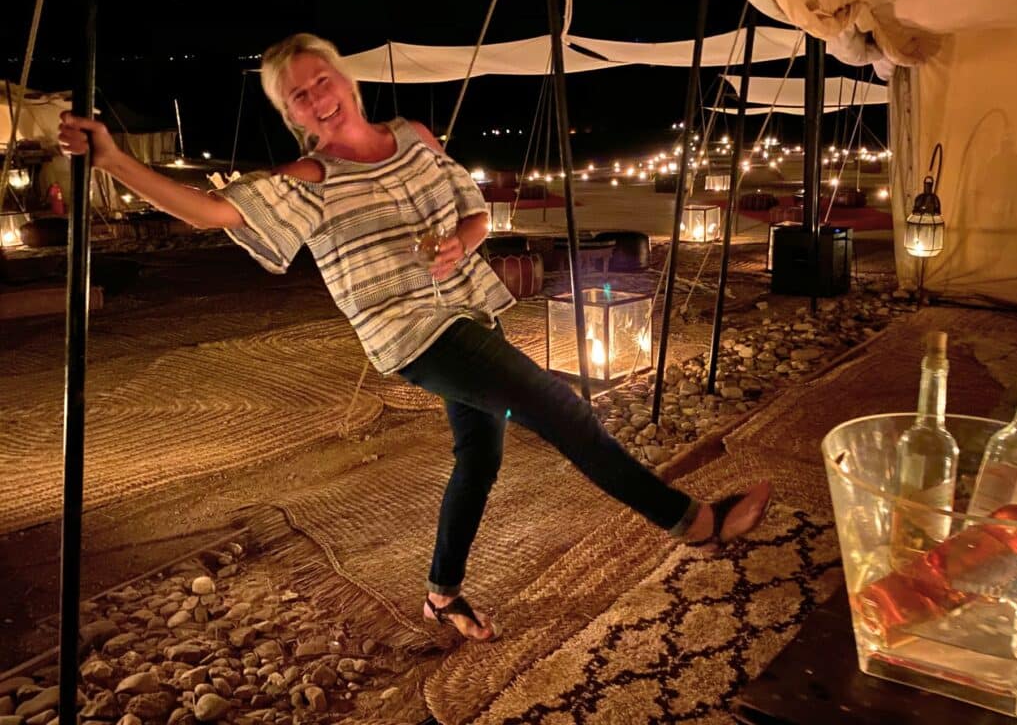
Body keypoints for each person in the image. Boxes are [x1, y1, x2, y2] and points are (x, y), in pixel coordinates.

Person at [59, 33, 772, 642]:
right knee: (564, 412)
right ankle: (695, 524)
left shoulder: (415, 139)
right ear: (289, 114)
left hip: (469, 311)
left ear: (345, 79)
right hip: (413, 335)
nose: (317, 97)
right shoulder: (308, 178)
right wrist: (116, 161)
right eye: (298, 96)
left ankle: (441, 593)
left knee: (478, 458)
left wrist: (460, 244)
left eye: (321, 79)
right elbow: (211, 212)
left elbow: (474, 214)